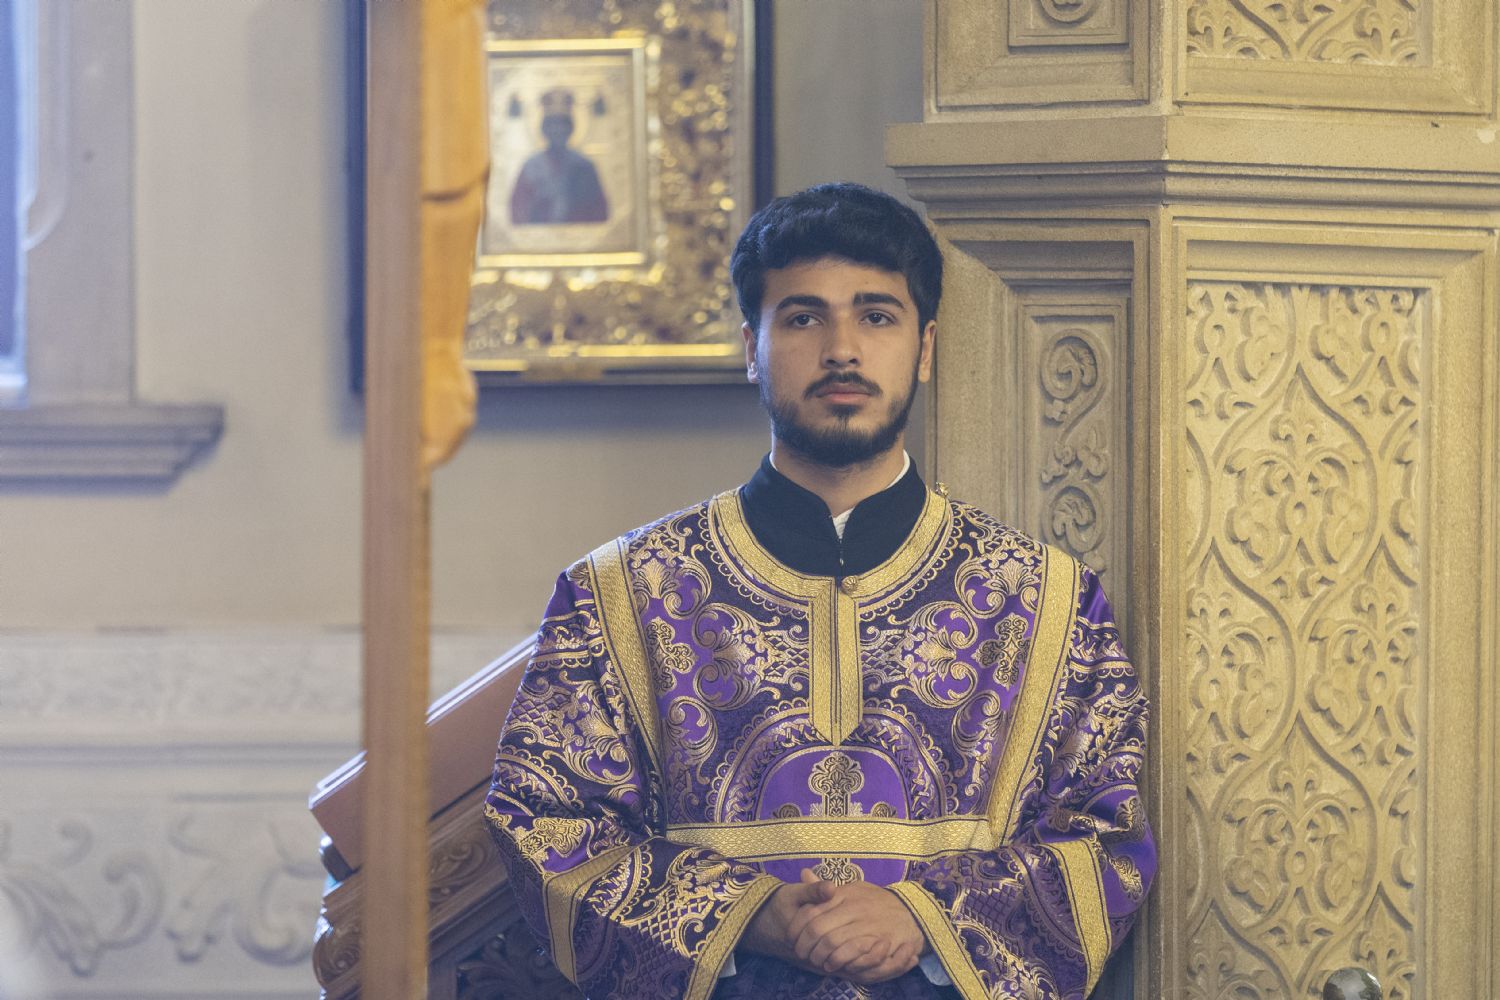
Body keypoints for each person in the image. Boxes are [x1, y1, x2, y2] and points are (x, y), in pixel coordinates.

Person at [484, 183, 1154, 1000]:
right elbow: (546, 823)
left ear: (925, 347)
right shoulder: (622, 594)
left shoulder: (1046, 599)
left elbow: (1105, 839)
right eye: (803, 318)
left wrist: (922, 917)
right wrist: (751, 915)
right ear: (752, 346)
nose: (843, 349)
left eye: (877, 316)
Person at [508, 87, 609, 225]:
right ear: (544, 129)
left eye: (563, 125)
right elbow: (519, 209)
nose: (557, 130)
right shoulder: (531, 167)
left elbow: (598, 211)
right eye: (552, 125)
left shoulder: (584, 166)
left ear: (571, 128)